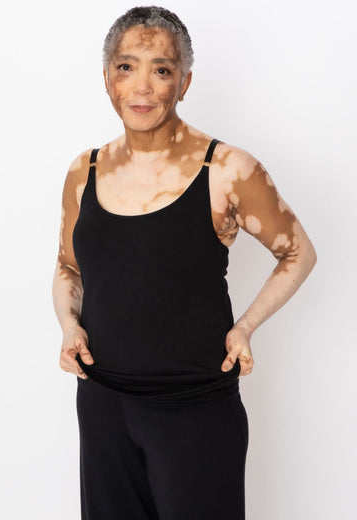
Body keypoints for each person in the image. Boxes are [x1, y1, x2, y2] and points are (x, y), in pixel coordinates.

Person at [52, 5, 317, 520]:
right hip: (103, 403)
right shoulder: (84, 170)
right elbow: (68, 268)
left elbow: (297, 251)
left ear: (184, 82)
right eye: (126, 67)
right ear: (107, 78)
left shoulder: (227, 169)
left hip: (195, 405)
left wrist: (245, 327)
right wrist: (68, 324)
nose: (142, 87)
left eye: (161, 69)